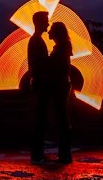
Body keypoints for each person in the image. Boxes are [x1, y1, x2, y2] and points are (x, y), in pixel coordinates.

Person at [47, 21, 73, 163]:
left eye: (51, 30)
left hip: (59, 86)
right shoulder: (63, 47)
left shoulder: (61, 48)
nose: (48, 32)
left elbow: (60, 67)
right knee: (62, 118)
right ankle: (64, 152)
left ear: (56, 33)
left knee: (61, 118)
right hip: (62, 85)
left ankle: (64, 153)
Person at [27, 11, 51, 163]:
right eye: (46, 21)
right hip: (41, 83)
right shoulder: (36, 41)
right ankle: (37, 154)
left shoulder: (36, 40)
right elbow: (40, 64)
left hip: (40, 82)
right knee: (40, 119)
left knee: (41, 118)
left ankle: (38, 152)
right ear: (39, 22)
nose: (48, 24)